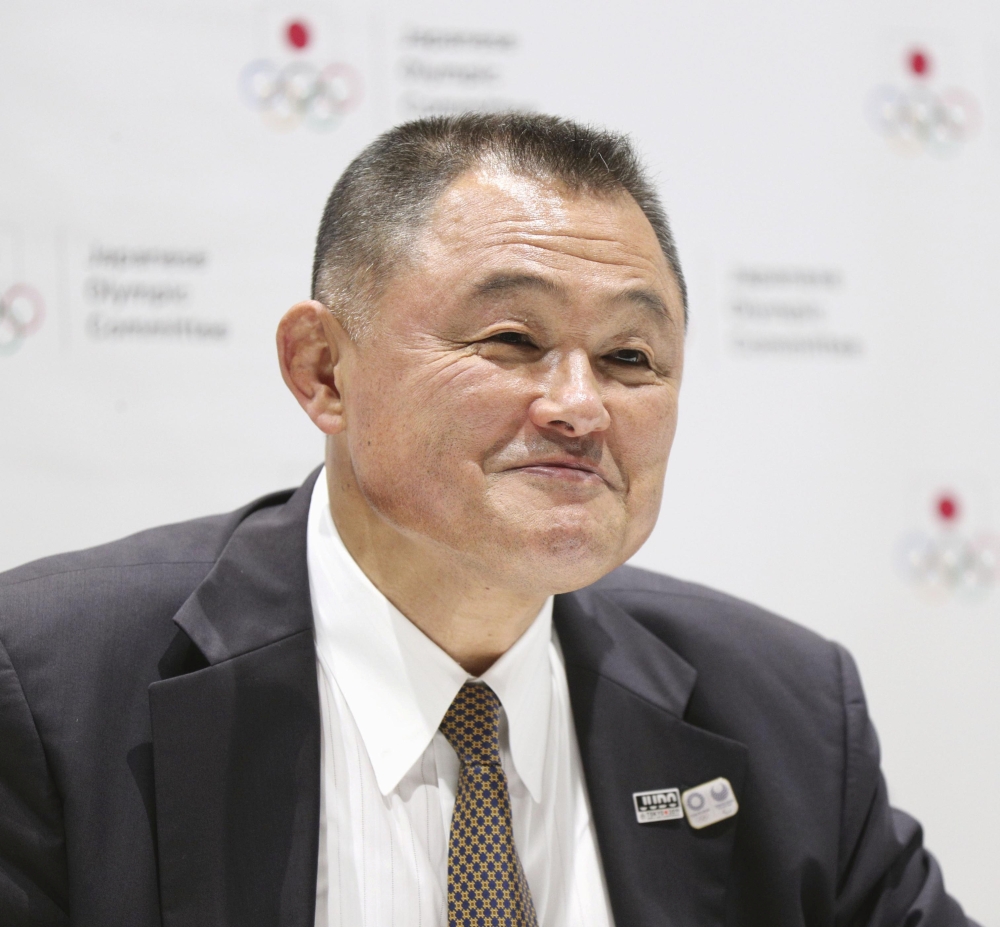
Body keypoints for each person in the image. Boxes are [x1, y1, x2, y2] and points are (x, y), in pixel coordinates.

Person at [0, 113, 975, 927]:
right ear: (322, 370)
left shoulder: (785, 713)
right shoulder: (52, 690)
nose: (578, 406)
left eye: (630, 359)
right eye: (512, 339)